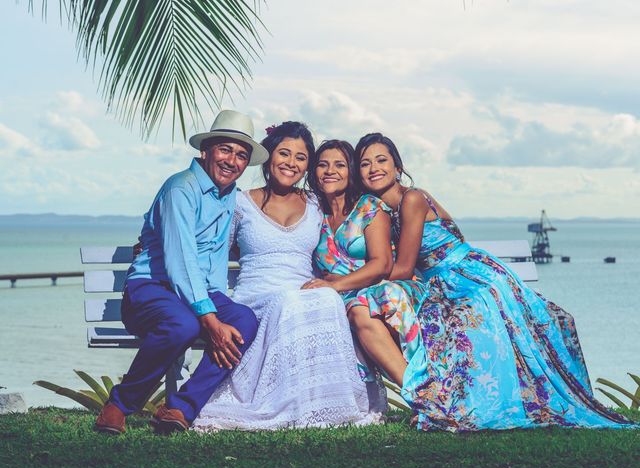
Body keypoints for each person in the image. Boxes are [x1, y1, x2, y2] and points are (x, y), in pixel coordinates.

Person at [353, 132, 636, 431]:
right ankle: (434, 399)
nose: (374, 168)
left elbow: (406, 266)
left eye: (381, 160)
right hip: (443, 281)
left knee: (462, 318)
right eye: (365, 163)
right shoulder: (382, 212)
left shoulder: (412, 198)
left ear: (398, 167)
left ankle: (446, 402)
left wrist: (348, 283)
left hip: (469, 276)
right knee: (427, 315)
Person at [192, 123, 385, 431]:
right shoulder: (240, 202)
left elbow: (346, 229)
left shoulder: (314, 203)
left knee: (324, 297)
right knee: (291, 300)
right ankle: (274, 403)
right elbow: (210, 246)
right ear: (268, 158)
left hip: (303, 293)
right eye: (284, 153)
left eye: (300, 157)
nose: (291, 163)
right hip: (257, 297)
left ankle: (322, 404)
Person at [94, 110, 268, 435]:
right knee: (182, 325)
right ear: (206, 151)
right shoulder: (180, 189)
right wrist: (210, 319)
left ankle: (180, 408)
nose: (232, 160)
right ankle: (119, 404)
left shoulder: (229, 195)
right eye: (225, 150)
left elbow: (215, 251)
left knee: (244, 320)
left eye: (241, 155)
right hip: (151, 291)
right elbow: (181, 260)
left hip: (196, 294)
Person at [303, 140, 426, 389]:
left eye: (339, 165)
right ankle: (422, 397)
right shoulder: (314, 214)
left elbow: (381, 264)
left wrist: (335, 285)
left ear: (351, 171)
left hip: (384, 286)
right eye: (323, 165)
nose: (330, 171)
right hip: (346, 297)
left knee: (363, 307)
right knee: (356, 310)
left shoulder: (369, 207)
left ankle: (421, 394)